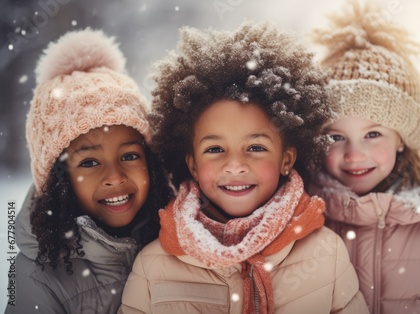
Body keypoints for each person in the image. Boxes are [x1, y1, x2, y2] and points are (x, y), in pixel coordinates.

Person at [119, 21, 369, 314]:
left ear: (286, 159)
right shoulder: (153, 265)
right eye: (215, 149)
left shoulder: (326, 254)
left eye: (255, 148)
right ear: (193, 165)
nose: (235, 165)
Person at [307, 3, 420, 314]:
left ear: (402, 139)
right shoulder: (304, 216)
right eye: (335, 137)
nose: (353, 154)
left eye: (373, 134)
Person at [5, 29, 172, 314]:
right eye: (89, 162)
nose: (115, 177)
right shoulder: (39, 275)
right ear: (58, 179)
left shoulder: (179, 241)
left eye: (130, 155)